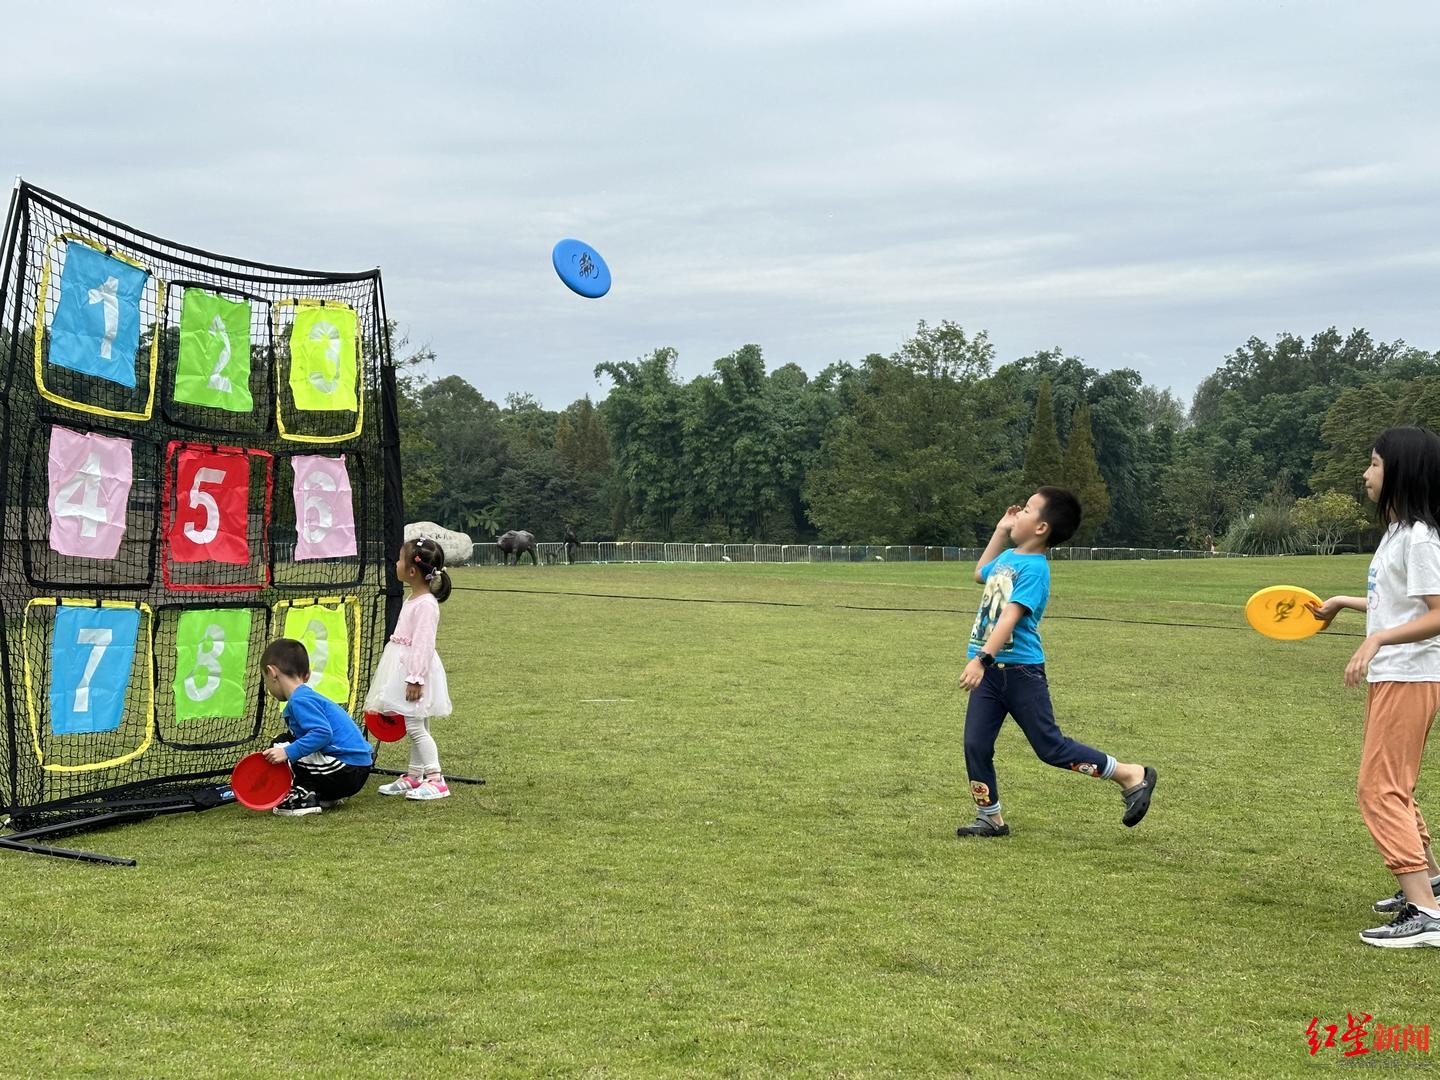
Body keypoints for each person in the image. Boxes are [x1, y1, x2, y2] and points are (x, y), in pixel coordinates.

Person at [956, 487, 1156, 838]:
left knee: (1050, 748)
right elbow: (978, 573)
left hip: (1020, 672)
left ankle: (1129, 774)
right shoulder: (1007, 558)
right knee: (975, 744)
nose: (1018, 513)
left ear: (1041, 527)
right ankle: (989, 816)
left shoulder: (1034, 570)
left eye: (1027, 510)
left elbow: (1010, 618)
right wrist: (1001, 530)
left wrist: (982, 658)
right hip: (990, 675)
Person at [1310, 427, 1440, 948]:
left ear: (1401, 473)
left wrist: (1379, 638)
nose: (1365, 474)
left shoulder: (1421, 538)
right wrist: (1346, 601)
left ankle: (1426, 915)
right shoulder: (1397, 533)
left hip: (1411, 674)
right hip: (1398, 674)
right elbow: (1399, 602)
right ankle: (1428, 884)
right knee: (1394, 784)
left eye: (1375, 464)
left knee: (1377, 790)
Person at [365, 536, 454, 801]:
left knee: (415, 726)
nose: (396, 563)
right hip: (405, 669)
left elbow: (423, 645)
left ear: (412, 571)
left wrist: (416, 678)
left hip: (415, 672)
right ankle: (415, 776)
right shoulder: (414, 598)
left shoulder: (426, 604)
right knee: (416, 721)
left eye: (400, 559)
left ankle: (436, 779)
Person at [260, 638, 374, 817]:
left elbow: (322, 733)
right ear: (308, 674)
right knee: (285, 741)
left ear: (272, 672)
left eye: (265, 680)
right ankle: (323, 794)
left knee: (282, 748)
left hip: (347, 767)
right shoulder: (305, 697)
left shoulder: (300, 700)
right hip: (355, 767)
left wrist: (287, 753)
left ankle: (304, 797)